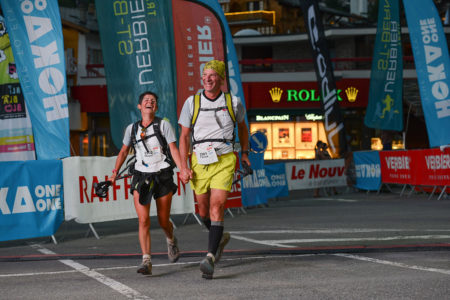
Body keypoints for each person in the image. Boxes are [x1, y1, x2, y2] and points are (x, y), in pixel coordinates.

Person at [178, 59, 250, 279]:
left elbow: (243, 128)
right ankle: (218, 238)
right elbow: (184, 136)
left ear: (220, 78)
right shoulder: (192, 102)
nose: (207, 79)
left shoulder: (233, 102)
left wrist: (244, 153)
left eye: (212, 75)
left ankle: (209, 257)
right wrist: (183, 166)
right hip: (200, 160)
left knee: (217, 206)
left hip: (225, 158)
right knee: (202, 211)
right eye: (205, 75)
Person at [110, 91, 183, 276]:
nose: (149, 102)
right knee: (143, 220)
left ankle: (171, 239)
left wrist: (183, 169)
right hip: (141, 176)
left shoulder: (164, 125)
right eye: (146, 100)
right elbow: (124, 151)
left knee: (163, 220)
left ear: (156, 107)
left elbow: (174, 149)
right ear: (139, 106)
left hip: (163, 174)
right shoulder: (131, 129)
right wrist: (114, 173)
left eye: (153, 101)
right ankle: (146, 260)